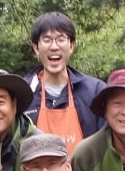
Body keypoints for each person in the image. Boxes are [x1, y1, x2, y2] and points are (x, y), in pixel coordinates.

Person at [22, 11, 106, 155]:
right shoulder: (22, 94)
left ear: (72, 46)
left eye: (61, 39)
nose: (54, 46)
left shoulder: (96, 92)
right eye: (47, 40)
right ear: (36, 48)